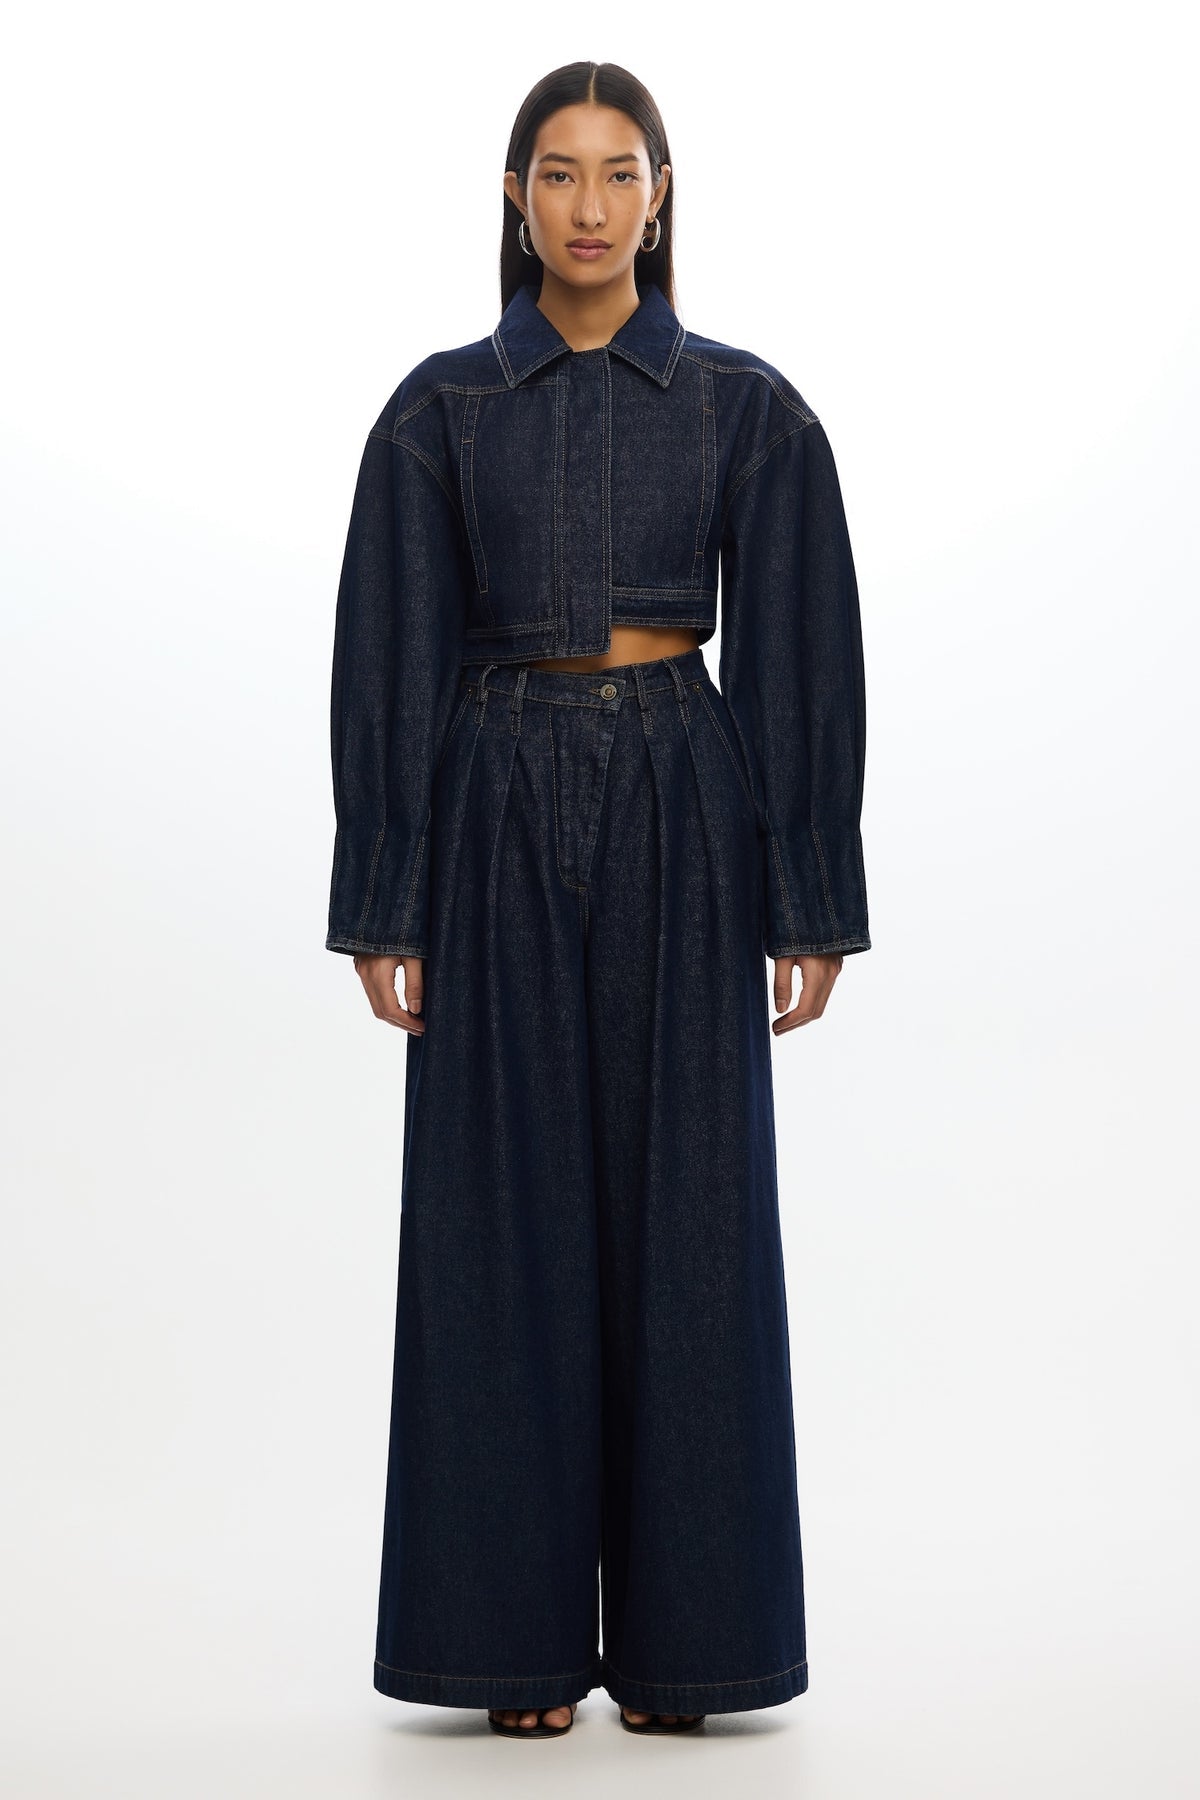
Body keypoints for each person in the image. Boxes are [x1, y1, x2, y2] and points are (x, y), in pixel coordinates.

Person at [325, 61, 871, 1742]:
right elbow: (388, 655)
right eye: (555, 173)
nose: (586, 205)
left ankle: (694, 1653)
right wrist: (387, 896)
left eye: (616, 172)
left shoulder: (745, 407)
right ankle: (508, 1653)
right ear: (515, 198)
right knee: (496, 1215)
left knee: (693, 1211)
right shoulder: (438, 411)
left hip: (682, 796)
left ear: (660, 194)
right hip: (489, 794)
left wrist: (808, 893)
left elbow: (802, 650)